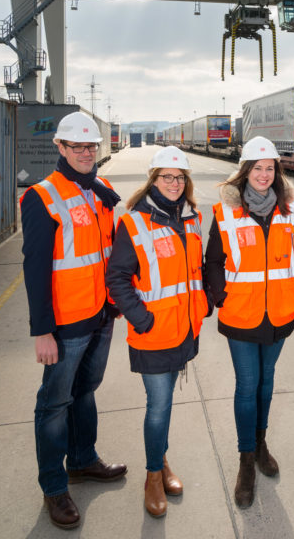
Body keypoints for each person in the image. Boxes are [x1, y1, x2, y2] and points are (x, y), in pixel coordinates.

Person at [20, 111, 126, 531]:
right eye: (77, 146)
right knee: (53, 404)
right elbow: (35, 268)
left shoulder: (101, 190)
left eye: (91, 146)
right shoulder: (42, 197)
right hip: (65, 325)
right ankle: (54, 486)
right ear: (59, 148)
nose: (86, 153)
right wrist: (41, 330)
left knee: (86, 391)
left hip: (100, 315)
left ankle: (83, 460)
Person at [205, 136, 294, 509]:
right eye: (257, 168)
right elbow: (212, 262)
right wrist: (221, 297)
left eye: (270, 168)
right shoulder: (225, 212)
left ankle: (261, 444)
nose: (264, 175)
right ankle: (246, 461)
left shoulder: (292, 210)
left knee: (267, 383)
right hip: (242, 315)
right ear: (244, 172)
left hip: (280, 311)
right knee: (247, 385)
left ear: (277, 173)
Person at [105, 147, 210, 518]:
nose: (174, 183)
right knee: (159, 406)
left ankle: (161, 461)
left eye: (180, 177)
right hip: (152, 333)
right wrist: (141, 318)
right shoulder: (134, 223)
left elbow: (194, 272)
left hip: (183, 330)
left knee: (165, 408)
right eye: (167, 177)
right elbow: (116, 278)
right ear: (153, 179)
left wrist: (205, 304)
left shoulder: (192, 219)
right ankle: (153, 476)